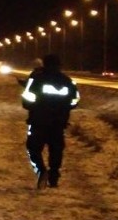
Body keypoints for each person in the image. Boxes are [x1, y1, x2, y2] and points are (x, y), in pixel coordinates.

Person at [20, 54, 80, 189]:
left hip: (38, 121)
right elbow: (74, 101)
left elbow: (26, 101)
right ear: (60, 65)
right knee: (56, 150)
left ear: (44, 65)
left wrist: (36, 107)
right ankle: (54, 178)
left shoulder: (36, 79)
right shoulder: (68, 81)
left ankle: (41, 171)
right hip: (59, 123)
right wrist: (63, 109)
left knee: (33, 148)